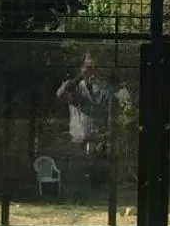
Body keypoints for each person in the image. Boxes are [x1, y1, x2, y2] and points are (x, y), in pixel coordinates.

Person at [55, 56, 130, 194]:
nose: (92, 72)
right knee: (79, 174)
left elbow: (126, 100)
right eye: (88, 68)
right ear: (81, 69)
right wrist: (79, 77)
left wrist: (115, 84)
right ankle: (79, 195)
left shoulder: (104, 88)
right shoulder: (74, 86)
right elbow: (60, 95)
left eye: (95, 68)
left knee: (99, 174)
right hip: (79, 140)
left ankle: (97, 194)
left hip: (100, 140)